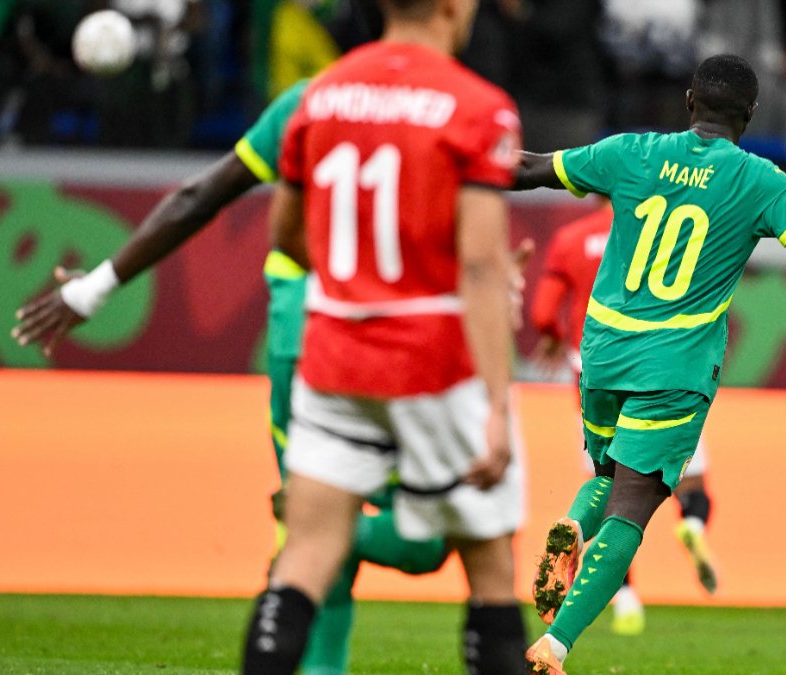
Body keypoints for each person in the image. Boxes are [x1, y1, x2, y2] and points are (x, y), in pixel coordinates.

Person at [11, 72, 451, 675]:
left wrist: (94, 288)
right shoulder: (446, 103)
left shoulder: (309, 101)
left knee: (351, 535)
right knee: (420, 536)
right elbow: (503, 181)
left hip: (315, 340)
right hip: (361, 341)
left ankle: (312, 527)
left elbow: (201, 196)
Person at [514, 53, 786, 673]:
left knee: (606, 473)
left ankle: (576, 526)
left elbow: (530, 168)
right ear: (751, 114)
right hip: (674, 364)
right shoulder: (758, 180)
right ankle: (555, 645)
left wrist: (449, 163)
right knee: (636, 501)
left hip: (603, 354)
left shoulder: (630, 151)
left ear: (690, 101)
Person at [238, 0, 526, 673]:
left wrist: (361, 283)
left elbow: (285, 233)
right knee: (490, 567)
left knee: (304, 556)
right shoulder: (479, 107)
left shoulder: (320, 95)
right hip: (435, 364)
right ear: (453, 7)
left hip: (333, 359)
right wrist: (495, 404)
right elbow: (480, 267)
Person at [530, 201, 717, 637]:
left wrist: (554, 337)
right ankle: (691, 524)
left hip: (594, 373)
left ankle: (622, 592)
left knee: (608, 486)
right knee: (685, 483)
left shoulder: (571, 239)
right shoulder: (663, 232)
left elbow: (542, 312)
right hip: (660, 371)